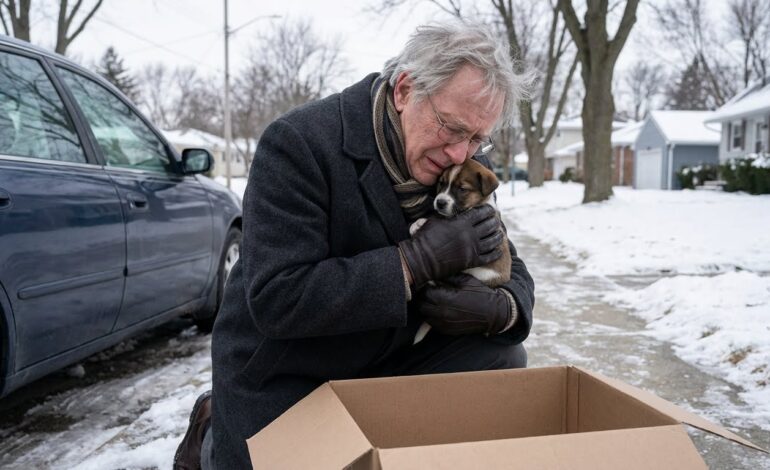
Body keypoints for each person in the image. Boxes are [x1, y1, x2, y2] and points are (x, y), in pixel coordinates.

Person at [174, 21, 535, 470]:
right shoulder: (299, 144)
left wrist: (504, 308)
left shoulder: (460, 166)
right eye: (452, 128)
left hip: (393, 356)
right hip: (294, 369)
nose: (463, 153)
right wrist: (412, 262)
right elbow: (278, 297)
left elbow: (509, 262)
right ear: (405, 91)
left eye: (478, 138)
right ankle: (211, 430)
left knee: (500, 355)